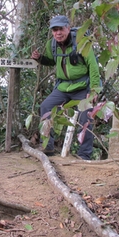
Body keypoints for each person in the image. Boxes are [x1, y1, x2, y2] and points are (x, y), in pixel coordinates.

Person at [31, 15, 100, 160]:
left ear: (68, 28)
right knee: (45, 107)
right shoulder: (52, 44)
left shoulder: (81, 41)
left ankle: (84, 155)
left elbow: (93, 67)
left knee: (86, 116)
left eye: (61, 29)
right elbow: (52, 60)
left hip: (82, 86)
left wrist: (94, 91)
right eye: (54, 30)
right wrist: (40, 58)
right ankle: (48, 146)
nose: (58, 33)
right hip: (63, 87)